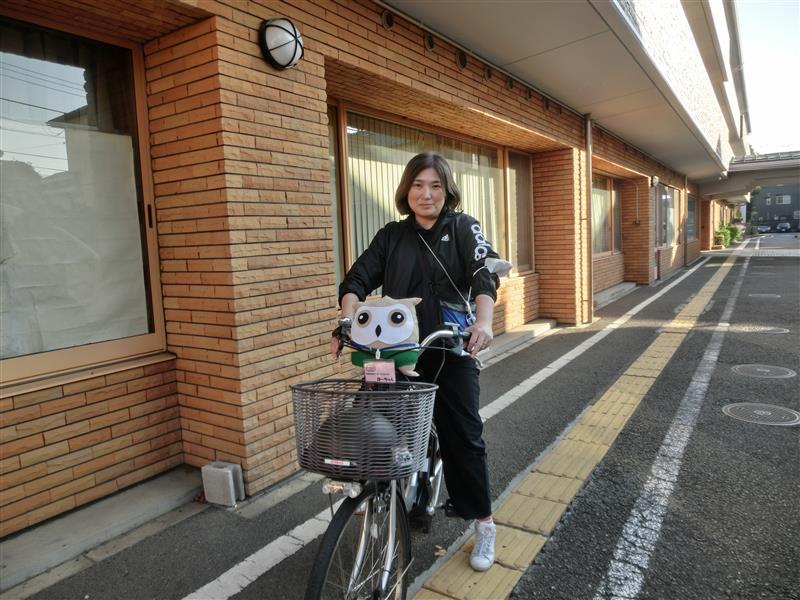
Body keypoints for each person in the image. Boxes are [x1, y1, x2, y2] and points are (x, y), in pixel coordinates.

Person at [331, 152, 499, 572]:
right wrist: (347, 319)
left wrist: (483, 322)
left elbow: (484, 273)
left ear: (447, 191)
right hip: (394, 352)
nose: (427, 194)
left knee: (464, 439)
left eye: (436, 186)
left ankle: (484, 523)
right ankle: (378, 496)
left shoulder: (463, 227)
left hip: (448, 348)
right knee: (366, 424)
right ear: (407, 190)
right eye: (419, 185)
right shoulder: (391, 235)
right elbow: (357, 279)